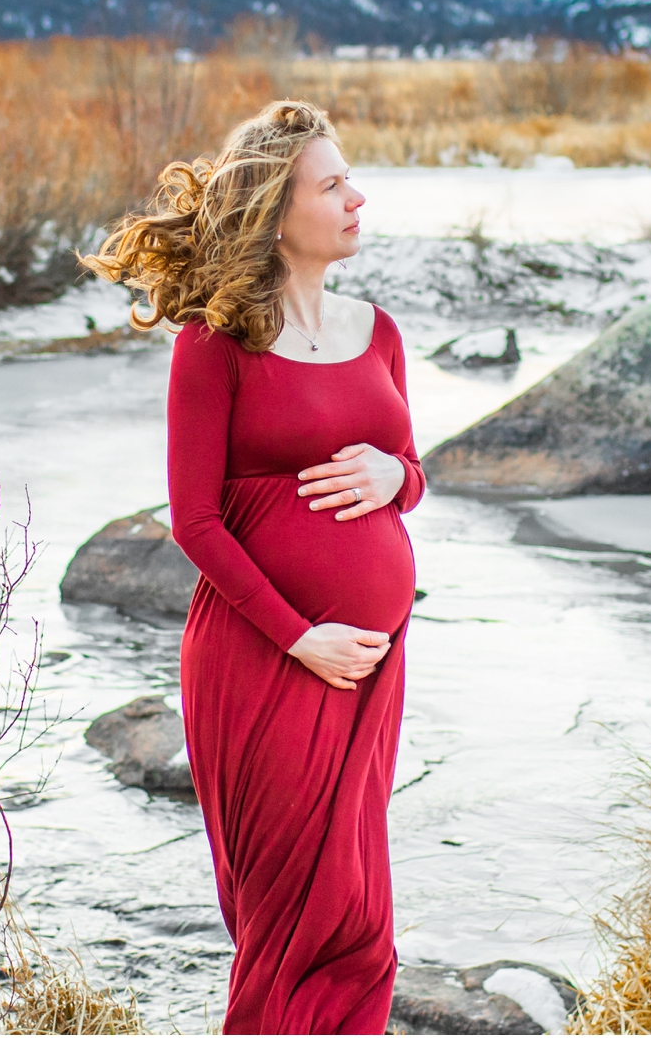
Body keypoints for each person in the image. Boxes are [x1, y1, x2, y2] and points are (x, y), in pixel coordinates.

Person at [83, 99, 421, 1035]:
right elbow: (193, 521)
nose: (358, 197)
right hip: (265, 657)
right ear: (278, 212)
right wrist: (300, 635)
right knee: (288, 919)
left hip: (373, 662)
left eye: (350, 178)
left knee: (358, 914)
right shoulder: (215, 343)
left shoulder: (378, 329)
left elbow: (414, 474)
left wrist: (398, 473)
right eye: (333, 184)